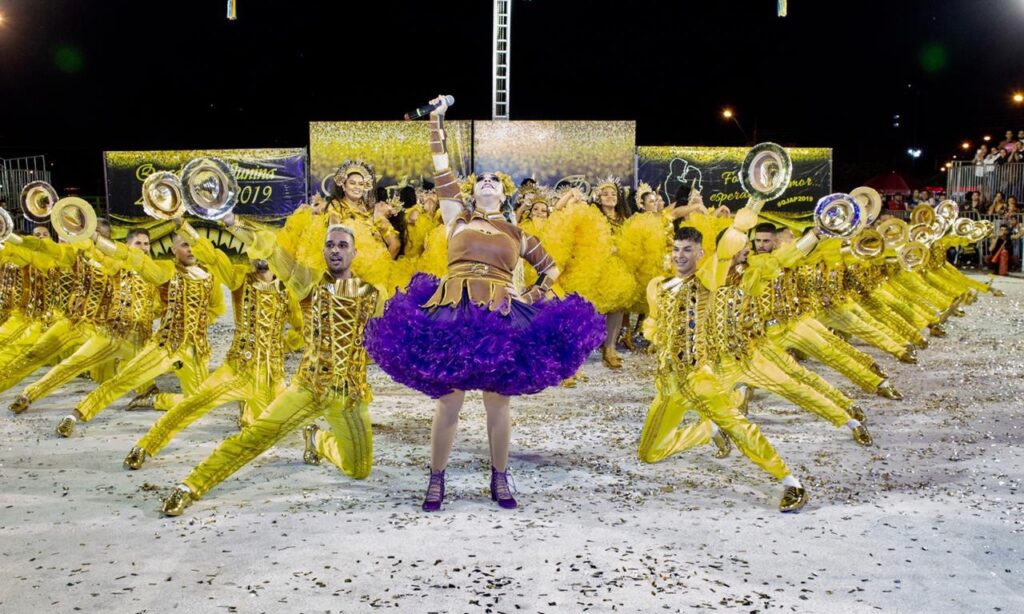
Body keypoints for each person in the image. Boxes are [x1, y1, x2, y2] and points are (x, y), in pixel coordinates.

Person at [363, 94, 605, 512]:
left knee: (498, 401)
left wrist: (528, 295)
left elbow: (552, 273)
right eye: (482, 181)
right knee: (449, 400)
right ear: (474, 193)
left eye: (495, 180)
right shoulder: (458, 216)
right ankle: (436, 479)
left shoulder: (517, 232)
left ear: (503, 193)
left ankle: (500, 478)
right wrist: (436, 121)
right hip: (453, 310)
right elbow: (441, 167)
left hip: (499, 316)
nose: (488, 183)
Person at [159, 223, 382, 516]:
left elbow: (382, 342)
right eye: (330, 245)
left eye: (342, 245)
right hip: (309, 386)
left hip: (348, 395)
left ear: (355, 251)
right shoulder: (309, 281)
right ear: (323, 250)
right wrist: (233, 223)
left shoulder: (373, 293)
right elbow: (273, 251)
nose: (336, 250)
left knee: (359, 470)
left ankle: (316, 438)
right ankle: (190, 485)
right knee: (255, 436)